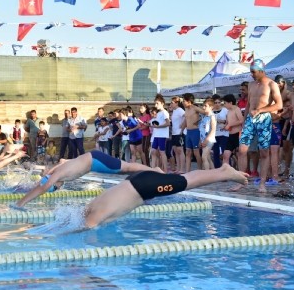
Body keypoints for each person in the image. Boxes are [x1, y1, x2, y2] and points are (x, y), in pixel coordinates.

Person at [82, 163, 248, 229]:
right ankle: (221, 171)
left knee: (186, 182)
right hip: (137, 181)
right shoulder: (92, 207)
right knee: (185, 179)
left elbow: (85, 228)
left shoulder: (93, 216)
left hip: (144, 187)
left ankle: (225, 173)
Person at [15, 150, 162, 208]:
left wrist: (21, 203)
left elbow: (42, 188)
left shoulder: (58, 175)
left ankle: (155, 171)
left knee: (126, 168)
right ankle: (152, 173)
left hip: (95, 160)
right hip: (94, 160)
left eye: (55, 187)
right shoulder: (59, 172)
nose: (57, 188)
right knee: (125, 169)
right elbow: (61, 161)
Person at [231, 59, 283, 193]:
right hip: (250, 119)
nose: (251, 75)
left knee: (264, 152)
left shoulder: (272, 84)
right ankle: (242, 182)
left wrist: (261, 110)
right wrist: (244, 121)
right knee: (242, 150)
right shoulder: (251, 84)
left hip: (264, 119)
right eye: (251, 72)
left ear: (261, 71)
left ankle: (262, 184)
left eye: (253, 72)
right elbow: (248, 103)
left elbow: (279, 105)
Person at [182, 93, 205, 172]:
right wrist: (181, 131)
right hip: (188, 132)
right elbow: (186, 121)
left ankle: (199, 170)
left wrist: (199, 121)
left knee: (196, 152)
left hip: (195, 131)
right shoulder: (186, 109)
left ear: (189, 101)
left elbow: (206, 113)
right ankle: (187, 171)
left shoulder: (195, 108)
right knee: (188, 152)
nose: (183, 102)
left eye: (184, 101)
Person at [222, 94, 244, 167]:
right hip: (230, 135)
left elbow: (241, 120)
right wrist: (226, 126)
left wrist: (230, 124)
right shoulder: (228, 111)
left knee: (239, 155)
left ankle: (241, 171)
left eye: (225, 103)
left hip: (238, 135)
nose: (224, 105)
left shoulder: (236, 109)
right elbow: (229, 123)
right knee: (226, 155)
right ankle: (226, 172)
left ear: (230, 103)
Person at [150, 94, 170, 173]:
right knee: (153, 151)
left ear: (162, 103)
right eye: (155, 103)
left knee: (162, 152)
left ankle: (165, 170)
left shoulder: (165, 112)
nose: (155, 105)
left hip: (162, 135)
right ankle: (153, 169)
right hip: (156, 135)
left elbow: (168, 123)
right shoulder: (158, 113)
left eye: (157, 103)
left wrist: (158, 127)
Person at [199, 98, 217, 170]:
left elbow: (213, 130)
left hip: (209, 140)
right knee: (208, 158)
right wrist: (201, 140)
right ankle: (213, 173)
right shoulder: (204, 117)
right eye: (203, 106)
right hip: (203, 139)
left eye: (205, 106)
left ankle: (207, 174)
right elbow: (202, 130)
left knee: (204, 157)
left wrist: (206, 140)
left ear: (211, 107)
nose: (203, 107)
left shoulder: (212, 117)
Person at [169, 97, 185, 173]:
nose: (171, 104)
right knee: (175, 151)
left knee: (180, 150)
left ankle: (182, 169)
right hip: (174, 133)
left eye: (172, 102)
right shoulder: (174, 111)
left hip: (179, 133)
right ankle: (178, 168)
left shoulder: (180, 110)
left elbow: (186, 117)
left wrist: (183, 126)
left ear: (177, 103)